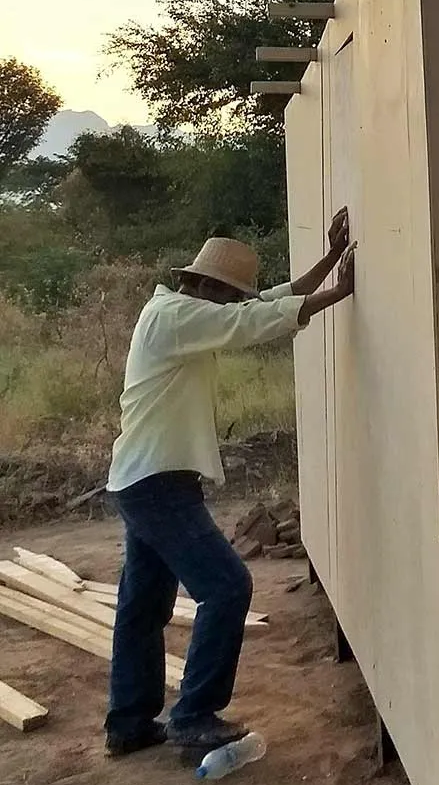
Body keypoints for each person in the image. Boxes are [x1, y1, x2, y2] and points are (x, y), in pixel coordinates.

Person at [104, 216, 356, 757]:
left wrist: (328, 264)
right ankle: (194, 714)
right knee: (227, 587)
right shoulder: (175, 319)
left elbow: (257, 306)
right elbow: (251, 321)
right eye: (229, 294)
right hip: (157, 483)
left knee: (144, 604)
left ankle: (128, 723)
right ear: (207, 288)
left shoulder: (179, 310)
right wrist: (341, 292)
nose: (231, 304)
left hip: (144, 477)